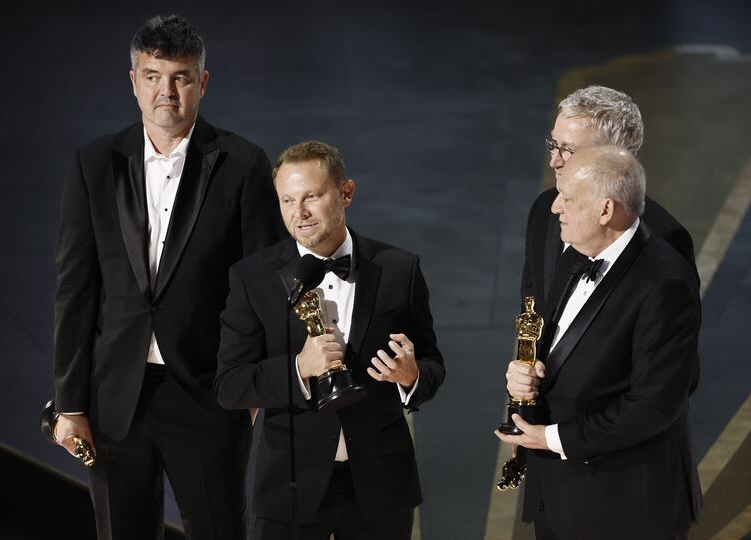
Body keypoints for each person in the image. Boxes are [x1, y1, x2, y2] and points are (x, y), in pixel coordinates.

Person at [52, 14, 284, 539]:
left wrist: (251, 391)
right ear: (133, 81)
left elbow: (265, 285)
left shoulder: (243, 163)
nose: (167, 92)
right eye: (153, 76)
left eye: (181, 78)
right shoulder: (94, 164)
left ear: (203, 82)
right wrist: (70, 404)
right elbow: (75, 290)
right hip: (114, 400)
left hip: (208, 396)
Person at [215, 141, 445, 540]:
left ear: (346, 193)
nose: (299, 213)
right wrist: (299, 368)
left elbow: (432, 364)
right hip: (289, 487)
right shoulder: (253, 278)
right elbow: (230, 385)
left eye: (312, 197)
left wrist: (411, 376)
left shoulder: (399, 269)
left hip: (380, 484)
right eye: (287, 200)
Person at [495, 146, 702, 539]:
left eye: (568, 199)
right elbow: (561, 349)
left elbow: (653, 405)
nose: (555, 207)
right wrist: (525, 376)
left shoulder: (665, 285)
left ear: (606, 210)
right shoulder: (574, 252)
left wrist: (551, 438)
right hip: (557, 495)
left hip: (623, 507)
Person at [522, 85, 698, 319]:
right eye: (553, 145)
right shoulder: (545, 208)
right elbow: (531, 305)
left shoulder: (665, 238)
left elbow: (664, 331)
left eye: (569, 151)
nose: (554, 161)